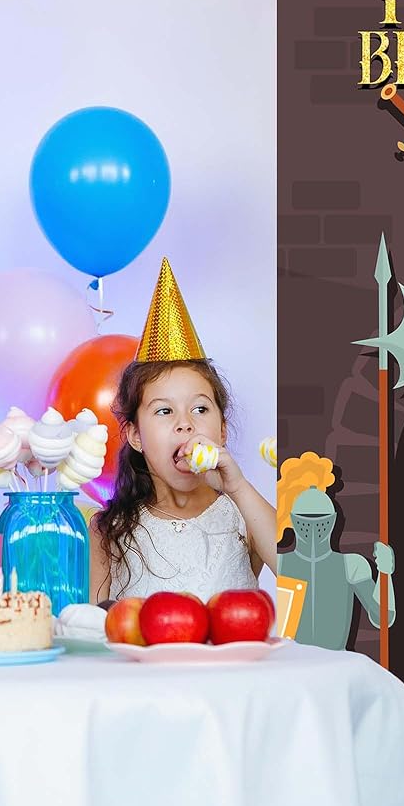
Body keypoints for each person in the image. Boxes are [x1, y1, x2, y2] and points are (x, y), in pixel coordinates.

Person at [90, 258, 275, 604]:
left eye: (200, 409)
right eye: (164, 411)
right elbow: (91, 624)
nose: (185, 423)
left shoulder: (244, 515)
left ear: (222, 431)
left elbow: (306, 577)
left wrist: (237, 487)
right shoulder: (109, 530)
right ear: (136, 436)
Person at [276, 451, 395, 650]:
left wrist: (385, 573)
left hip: (337, 661)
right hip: (291, 661)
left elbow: (383, 618)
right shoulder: (280, 563)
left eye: (320, 520)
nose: (313, 526)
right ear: (294, 520)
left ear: (332, 521)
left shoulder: (351, 565)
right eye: (306, 519)